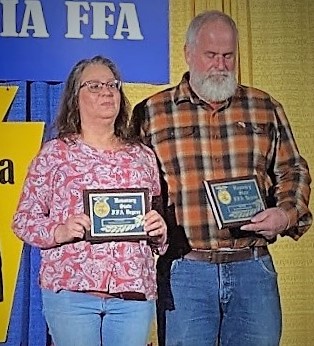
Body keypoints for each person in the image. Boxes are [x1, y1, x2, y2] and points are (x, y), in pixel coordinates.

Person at [130, 10, 312, 346]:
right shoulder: (151, 112)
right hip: (185, 271)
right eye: (211, 55)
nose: (221, 65)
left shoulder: (265, 106)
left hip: (252, 269)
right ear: (188, 53)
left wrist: (285, 214)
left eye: (229, 56)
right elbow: (136, 186)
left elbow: (293, 170)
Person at [12, 55, 167, 346]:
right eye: (94, 85)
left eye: (112, 84)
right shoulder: (54, 154)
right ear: (75, 96)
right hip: (72, 297)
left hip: (133, 297)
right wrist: (59, 231)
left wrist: (160, 231)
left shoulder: (143, 156)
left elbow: (156, 225)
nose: (107, 91)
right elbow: (23, 220)